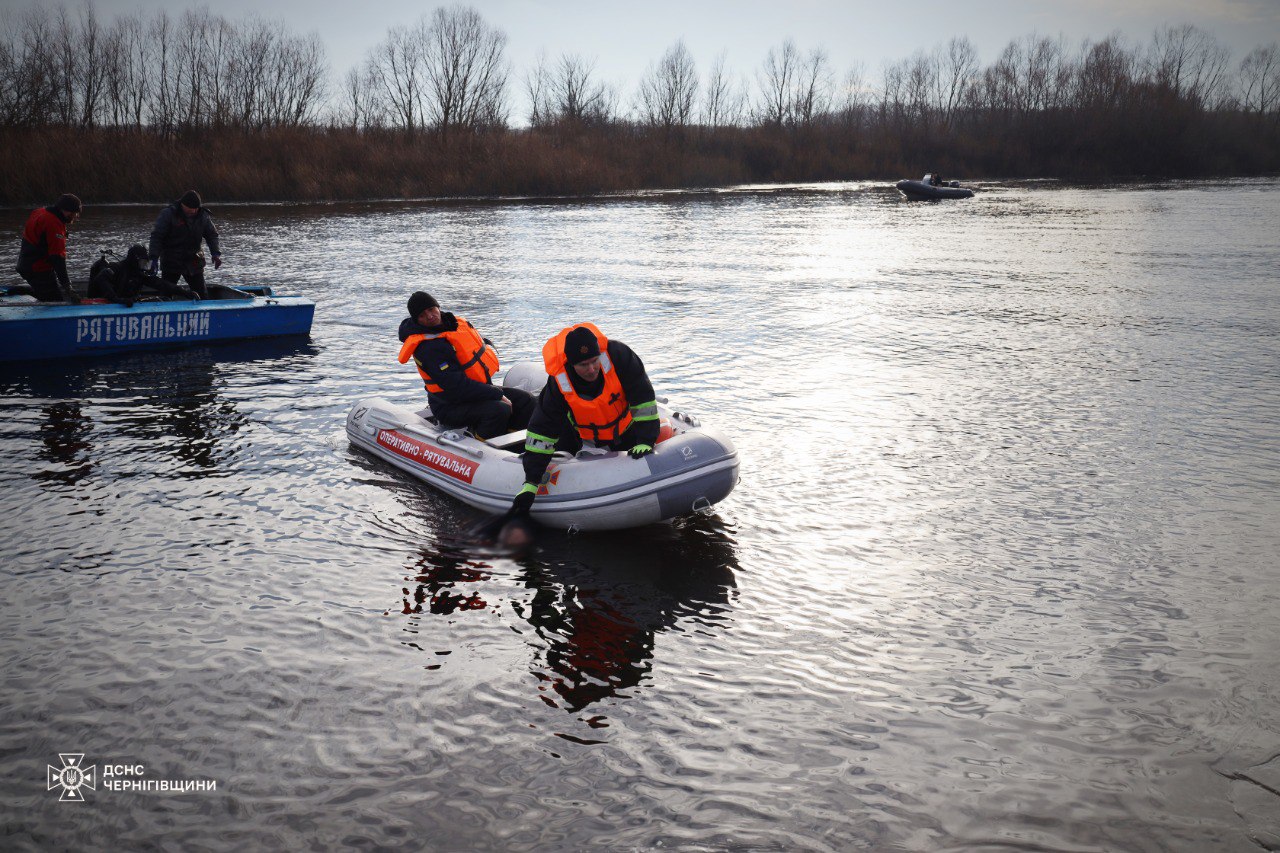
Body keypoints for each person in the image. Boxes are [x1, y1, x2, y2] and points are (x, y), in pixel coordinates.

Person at [507, 323, 661, 516]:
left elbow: (643, 397)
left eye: (594, 361)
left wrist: (646, 439)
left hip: (627, 429)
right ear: (571, 364)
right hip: (584, 437)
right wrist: (531, 482)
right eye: (583, 365)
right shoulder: (559, 383)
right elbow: (542, 430)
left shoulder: (619, 356)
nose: (591, 369)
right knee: (561, 443)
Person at [397, 291, 535, 439]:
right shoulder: (427, 348)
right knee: (498, 410)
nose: (430, 316)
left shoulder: (453, 326)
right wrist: (496, 393)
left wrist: (492, 391)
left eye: (431, 310)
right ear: (417, 320)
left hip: (474, 393)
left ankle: (517, 440)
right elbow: (457, 387)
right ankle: (484, 443)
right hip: (449, 405)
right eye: (422, 315)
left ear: (437, 307)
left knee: (526, 400)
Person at [149, 190, 221, 299]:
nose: (193, 212)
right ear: (182, 204)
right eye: (189, 210)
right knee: (166, 294)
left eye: (195, 209)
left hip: (194, 262)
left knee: (202, 295)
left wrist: (215, 253)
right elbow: (157, 236)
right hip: (171, 261)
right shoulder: (168, 214)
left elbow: (212, 235)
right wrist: (153, 258)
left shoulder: (203, 216)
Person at [16, 194, 83, 303]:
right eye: (75, 213)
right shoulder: (54, 224)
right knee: (55, 301)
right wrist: (67, 286)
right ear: (67, 211)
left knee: (46, 292)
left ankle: (25, 292)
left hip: (24, 264)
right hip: (38, 268)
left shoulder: (40, 212)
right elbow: (58, 258)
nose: (76, 217)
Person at [88, 245, 196, 306]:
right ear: (135, 260)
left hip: (127, 303)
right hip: (109, 303)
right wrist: (116, 299)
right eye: (143, 263)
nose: (144, 266)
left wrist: (185, 292)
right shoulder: (116, 268)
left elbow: (160, 283)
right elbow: (101, 278)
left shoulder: (139, 274)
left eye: (146, 263)